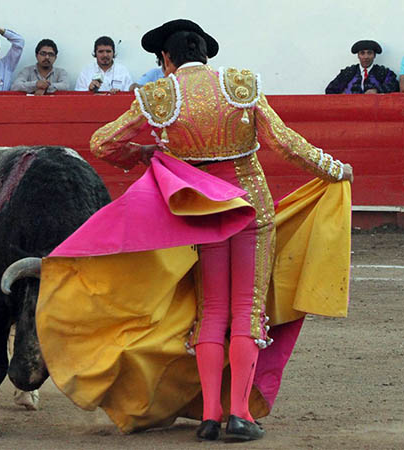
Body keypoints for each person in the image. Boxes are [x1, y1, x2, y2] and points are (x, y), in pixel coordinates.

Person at [87, 19, 353, 441]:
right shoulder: (241, 84)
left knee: (211, 311)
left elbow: (101, 143)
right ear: (206, 56)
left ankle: (211, 416)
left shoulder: (159, 95)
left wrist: (143, 153)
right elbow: (283, 142)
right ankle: (240, 414)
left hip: (201, 213)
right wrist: (333, 169)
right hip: (250, 206)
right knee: (247, 308)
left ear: (167, 59)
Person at [325, 40, 399, 94]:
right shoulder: (348, 73)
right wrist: (343, 98)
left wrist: (377, 90)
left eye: (369, 53)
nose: (366, 57)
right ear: (358, 56)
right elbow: (330, 90)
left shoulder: (383, 72)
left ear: (374, 55)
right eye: (362, 53)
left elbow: (395, 86)